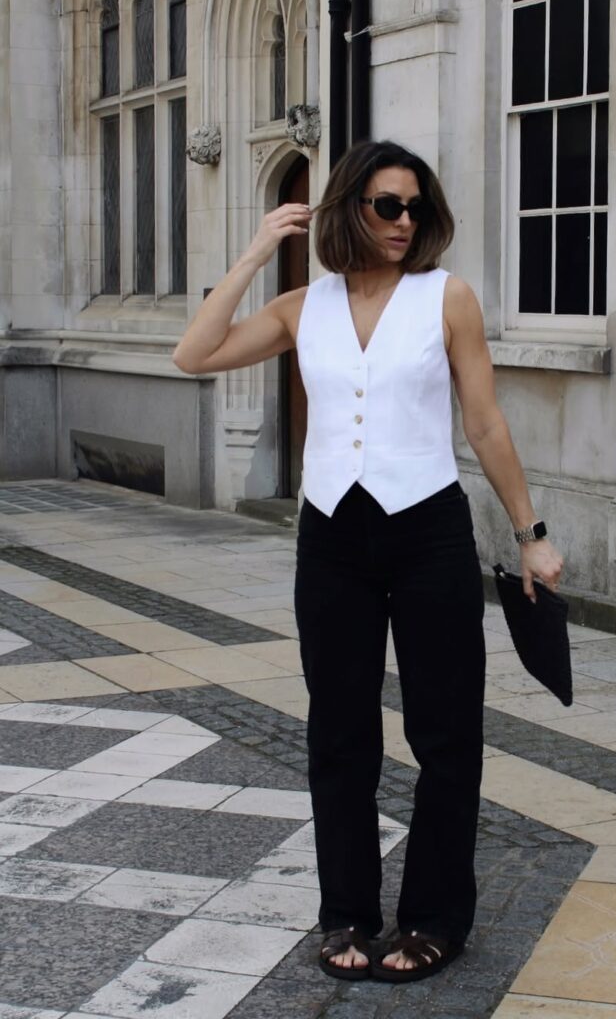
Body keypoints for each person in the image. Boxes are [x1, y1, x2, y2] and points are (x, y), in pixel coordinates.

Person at [172, 140, 563, 983]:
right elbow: (193, 356)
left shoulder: (446, 299)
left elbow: (486, 423)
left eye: (415, 207)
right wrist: (249, 255)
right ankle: (346, 911)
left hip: (428, 532)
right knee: (340, 733)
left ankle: (433, 919)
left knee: (446, 732)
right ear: (349, 206)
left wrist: (531, 533)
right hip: (333, 540)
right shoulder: (299, 306)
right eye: (387, 205)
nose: (403, 222)